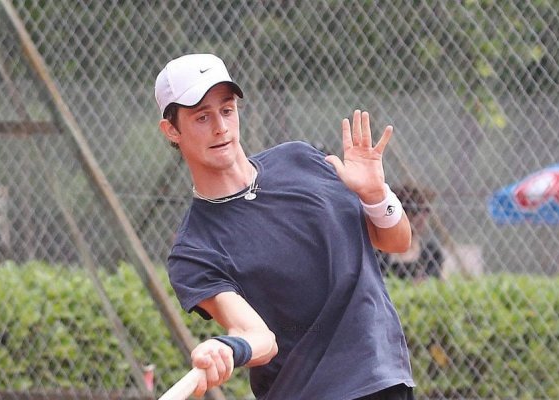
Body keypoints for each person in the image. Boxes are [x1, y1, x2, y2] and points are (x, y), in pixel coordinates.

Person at [155, 53, 415, 399]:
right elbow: (260, 339)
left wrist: (376, 195)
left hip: (381, 377)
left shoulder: (302, 160)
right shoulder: (194, 250)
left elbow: (396, 241)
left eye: (227, 110)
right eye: (202, 117)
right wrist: (227, 347)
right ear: (172, 130)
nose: (220, 127)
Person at [377, 184, 444, 281]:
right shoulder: (379, 254)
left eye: (426, 210)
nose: (422, 216)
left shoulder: (431, 253)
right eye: (415, 210)